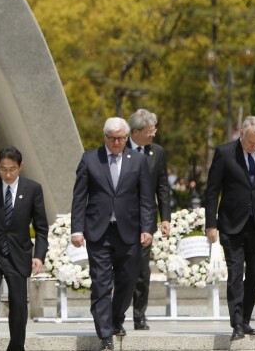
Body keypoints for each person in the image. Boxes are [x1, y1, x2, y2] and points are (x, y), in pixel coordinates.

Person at [70, 117, 153, 351]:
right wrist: (77, 229)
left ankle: (116, 318)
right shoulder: (89, 159)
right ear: (104, 137)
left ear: (126, 137)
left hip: (129, 231)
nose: (116, 142)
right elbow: (79, 197)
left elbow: (146, 198)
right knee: (101, 283)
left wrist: (147, 228)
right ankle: (105, 333)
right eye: (112, 138)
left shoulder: (137, 160)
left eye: (121, 138)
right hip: (99, 231)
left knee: (127, 281)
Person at [203, 116, 255, 341]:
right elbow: (212, 191)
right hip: (232, 225)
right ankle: (237, 323)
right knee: (235, 272)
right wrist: (211, 224)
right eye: (250, 142)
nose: (254, 147)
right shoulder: (225, 153)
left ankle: (246, 319)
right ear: (242, 132)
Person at [0, 146, 48, 351]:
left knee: (19, 303)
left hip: (18, 254)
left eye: (12, 169)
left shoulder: (33, 189)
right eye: (3, 169)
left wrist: (39, 256)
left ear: (20, 166)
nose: (7, 173)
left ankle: (16, 345)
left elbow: (41, 227)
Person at [126, 109, 171, 330]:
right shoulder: (118, 150)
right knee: (121, 268)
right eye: (150, 130)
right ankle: (115, 313)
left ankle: (139, 315)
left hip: (146, 220)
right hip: (121, 219)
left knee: (142, 270)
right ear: (136, 132)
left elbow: (162, 186)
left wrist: (165, 217)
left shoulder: (157, 152)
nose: (154, 134)